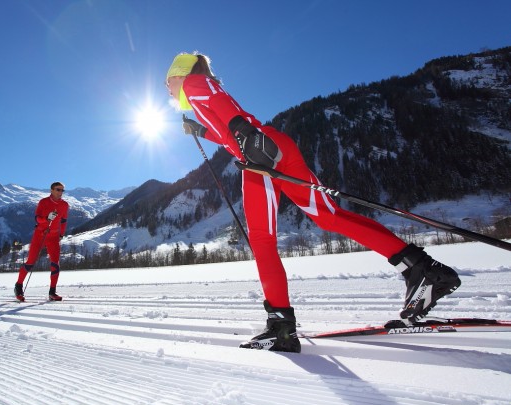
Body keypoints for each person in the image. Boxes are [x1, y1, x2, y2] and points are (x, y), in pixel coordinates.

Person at [165, 52, 461, 353]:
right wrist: (203, 131)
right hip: (275, 146)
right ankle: (420, 267)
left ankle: (281, 328)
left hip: (259, 157)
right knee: (330, 217)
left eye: (168, 81)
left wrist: (245, 133)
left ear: (180, 74)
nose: (168, 89)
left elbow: (222, 106)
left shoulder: (193, 82)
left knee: (262, 240)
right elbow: (224, 128)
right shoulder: (199, 94)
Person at [14, 182, 69, 302]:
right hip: (40, 235)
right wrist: (46, 219)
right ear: (51, 190)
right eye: (58, 190)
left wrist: (61, 234)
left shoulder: (64, 205)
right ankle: (18, 286)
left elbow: (64, 220)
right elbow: (36, 218)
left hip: (54, 237)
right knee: (30, 262)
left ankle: (52, 292)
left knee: (55, 264)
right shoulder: (43, 202)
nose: (60, 192)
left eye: (62, 190)